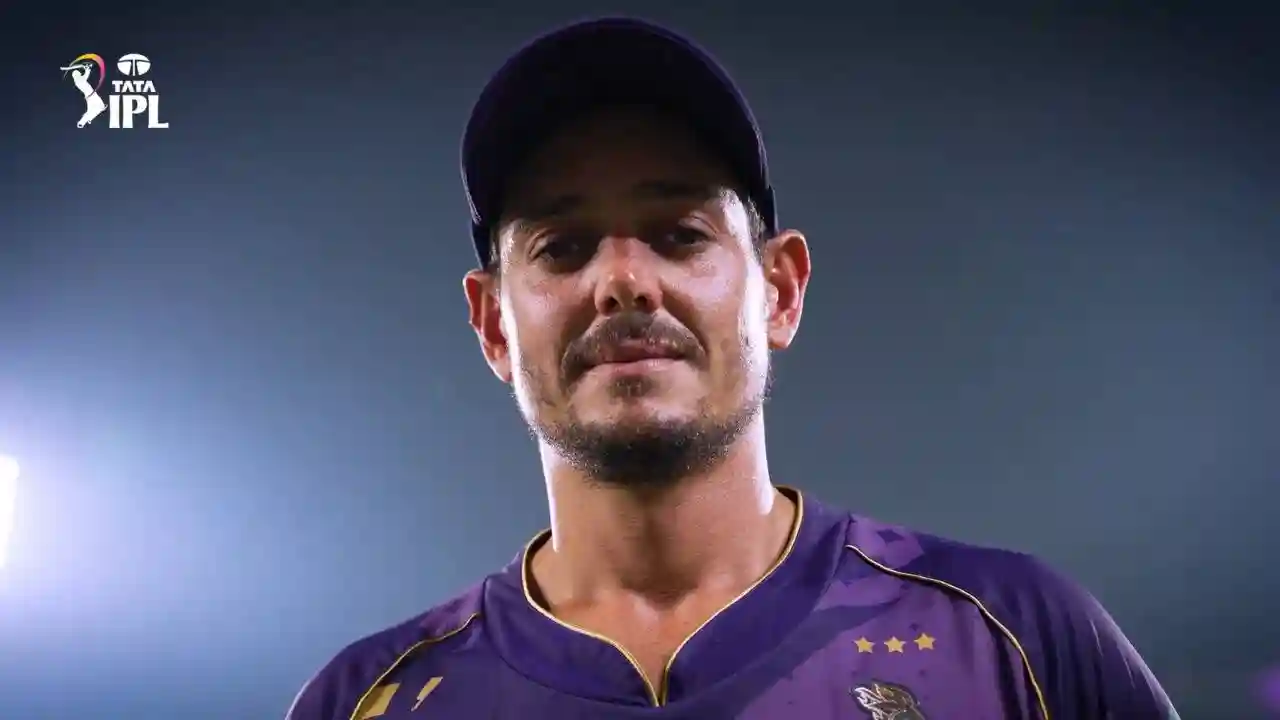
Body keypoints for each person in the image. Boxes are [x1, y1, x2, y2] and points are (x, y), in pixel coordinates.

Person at [287, 17, 1179, 720]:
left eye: (681, 234)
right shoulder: (365, 701)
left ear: (780, 291)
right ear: (492, 325)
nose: (624, 280)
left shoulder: (1017, 637)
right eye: (562, 246)